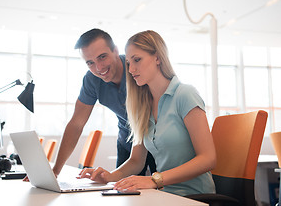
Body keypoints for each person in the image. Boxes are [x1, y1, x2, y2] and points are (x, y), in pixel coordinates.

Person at [78, 30, 216, 196]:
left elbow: (208, 158)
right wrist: (109, 176)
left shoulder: (185, 94)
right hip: (164, 195)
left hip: (194, 196)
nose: (131, 69)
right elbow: (136, 161)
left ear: (157, 58)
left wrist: (153, 180)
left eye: (137, 60)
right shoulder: (142, 106)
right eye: (128, 63)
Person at [51, 28, 156, 177]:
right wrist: (55, 171)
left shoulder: (136, 69)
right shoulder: (92, 80)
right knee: (122, 192)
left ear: (115, 50)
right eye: (90, 63)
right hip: (127, 142)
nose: (99, 68)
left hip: (156, 141)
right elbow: (76, 124)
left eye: (102, 57)